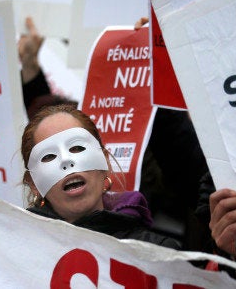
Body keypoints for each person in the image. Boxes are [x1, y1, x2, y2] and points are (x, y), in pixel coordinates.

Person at [20, 103, 181, 249]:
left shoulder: (158, 253)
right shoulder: (18, 256)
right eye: (48, 156)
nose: (67, 161)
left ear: (105, 162)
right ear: (33, 183)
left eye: (77, 148)